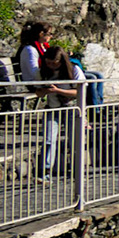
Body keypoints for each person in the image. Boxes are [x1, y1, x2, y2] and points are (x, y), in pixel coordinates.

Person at [34, 46, 84, 179]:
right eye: (48, 62)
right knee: (49, 139)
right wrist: (44, 91)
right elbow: (38, 92)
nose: (50, 65)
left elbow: (79, 91)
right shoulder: (43, 72)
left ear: (61, 61)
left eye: (54, 62)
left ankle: (77, 170)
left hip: (71, 109)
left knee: (74, 140)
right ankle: (45, 171)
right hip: (52, 108)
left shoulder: (74, 69)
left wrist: (58, 91)